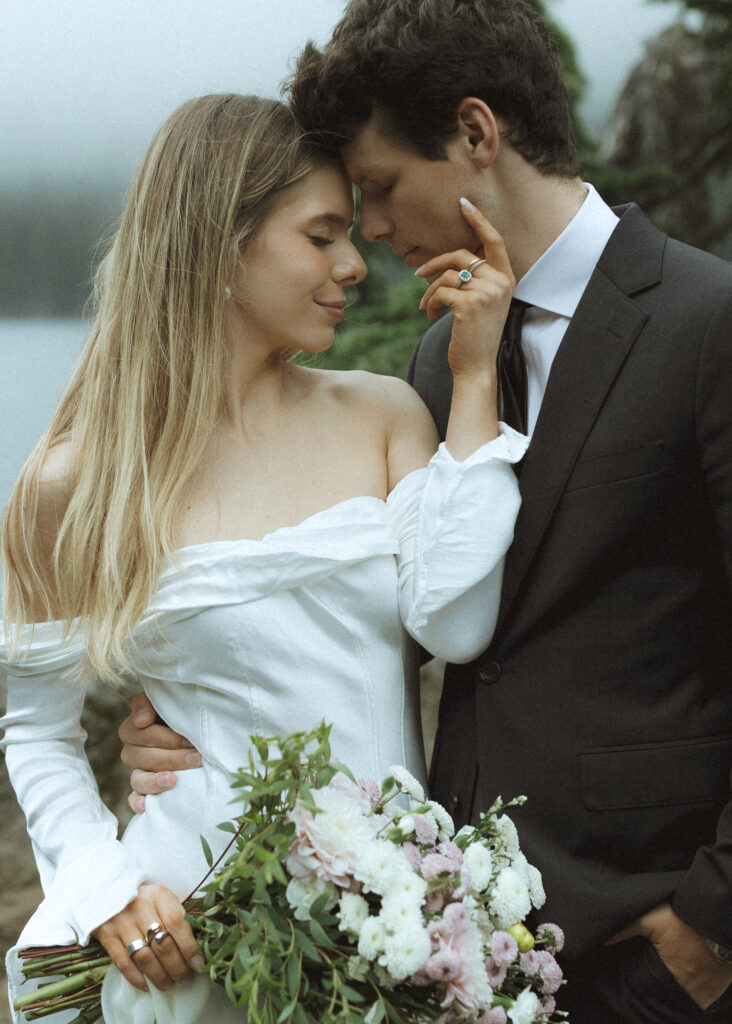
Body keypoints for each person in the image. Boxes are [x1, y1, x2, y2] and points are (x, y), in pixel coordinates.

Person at [120, 3, 732, 1022]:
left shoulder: (708, 322)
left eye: (379, 187)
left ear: (477, 135)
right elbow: (374, 624)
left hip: (658, 941)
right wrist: (175, 721)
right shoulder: (432, 368)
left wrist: (711, 926)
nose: (369, 231)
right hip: (451, 947)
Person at [0, 92, 528, 1024]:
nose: (355, 265)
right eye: (320, 237)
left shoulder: (384, 414)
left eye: (350, 237)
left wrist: (476, 375)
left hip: (382, 946)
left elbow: (457, 619)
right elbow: (38, 732)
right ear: (218, 243)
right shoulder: (74, 482)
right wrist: (103, 886)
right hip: (189, 943)